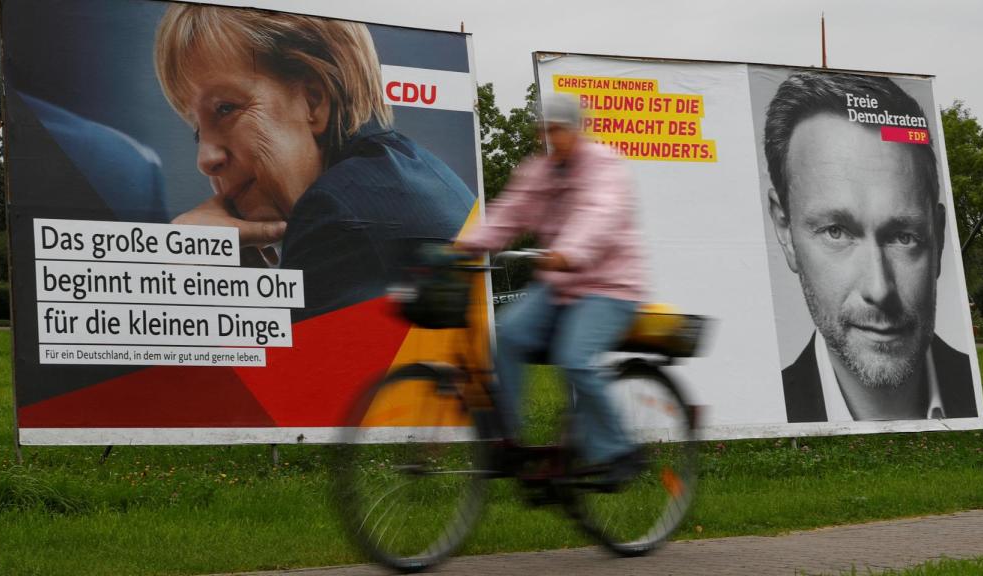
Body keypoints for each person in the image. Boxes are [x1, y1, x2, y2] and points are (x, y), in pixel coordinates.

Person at [154, 6, 475, 318]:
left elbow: (295, 358)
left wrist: (182, 278)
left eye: (225, 109)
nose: (205, 159)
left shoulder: (336, 216)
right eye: (197, 131)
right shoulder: (415, 172)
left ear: (313, 101)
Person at [764, 71, 976, 423]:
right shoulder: (766, 404)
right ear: (785, 230)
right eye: (836, 232)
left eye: (903, 237)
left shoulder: (970, 388)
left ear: (937, 237)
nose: (879, 289)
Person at [458, 93, 647, 476]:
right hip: (559, 287)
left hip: (609, 288)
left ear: (577, 129)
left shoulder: (603, 166)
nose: (549, 138)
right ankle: (509, 440)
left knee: (575, 358)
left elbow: (600, 213)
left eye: (558, 130)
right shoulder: (540, 172)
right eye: (545, 130)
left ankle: (618, 450)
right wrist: (465, 246)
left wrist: (569, 252)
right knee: (508, 334)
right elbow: (510, 214)